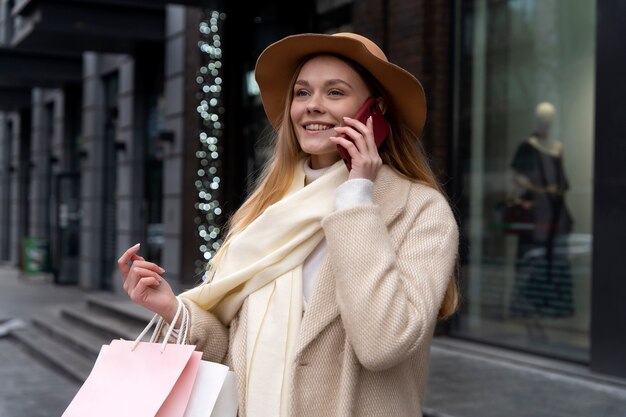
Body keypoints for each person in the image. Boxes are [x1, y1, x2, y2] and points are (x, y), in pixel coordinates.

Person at [118, 32, 459, 417]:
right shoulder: (265, 209)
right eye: (301, 93)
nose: (313, 106)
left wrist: (357, 196)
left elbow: (383, 344)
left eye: (334, 92)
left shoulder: (420, 210)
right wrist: (172, 309)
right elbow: (233, 345)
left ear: (374, 109)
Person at [508, 102, 575, 326]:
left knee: (555, 261)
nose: (547, 121)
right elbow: (518, 180)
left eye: (550, 117)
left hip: (555, 216)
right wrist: (542, 191)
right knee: (532, 262)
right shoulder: (527, 147)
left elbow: (563, 182)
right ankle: (529, 313)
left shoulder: (557, 147)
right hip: (536, 217)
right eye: (543, 117)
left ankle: (551, 311)